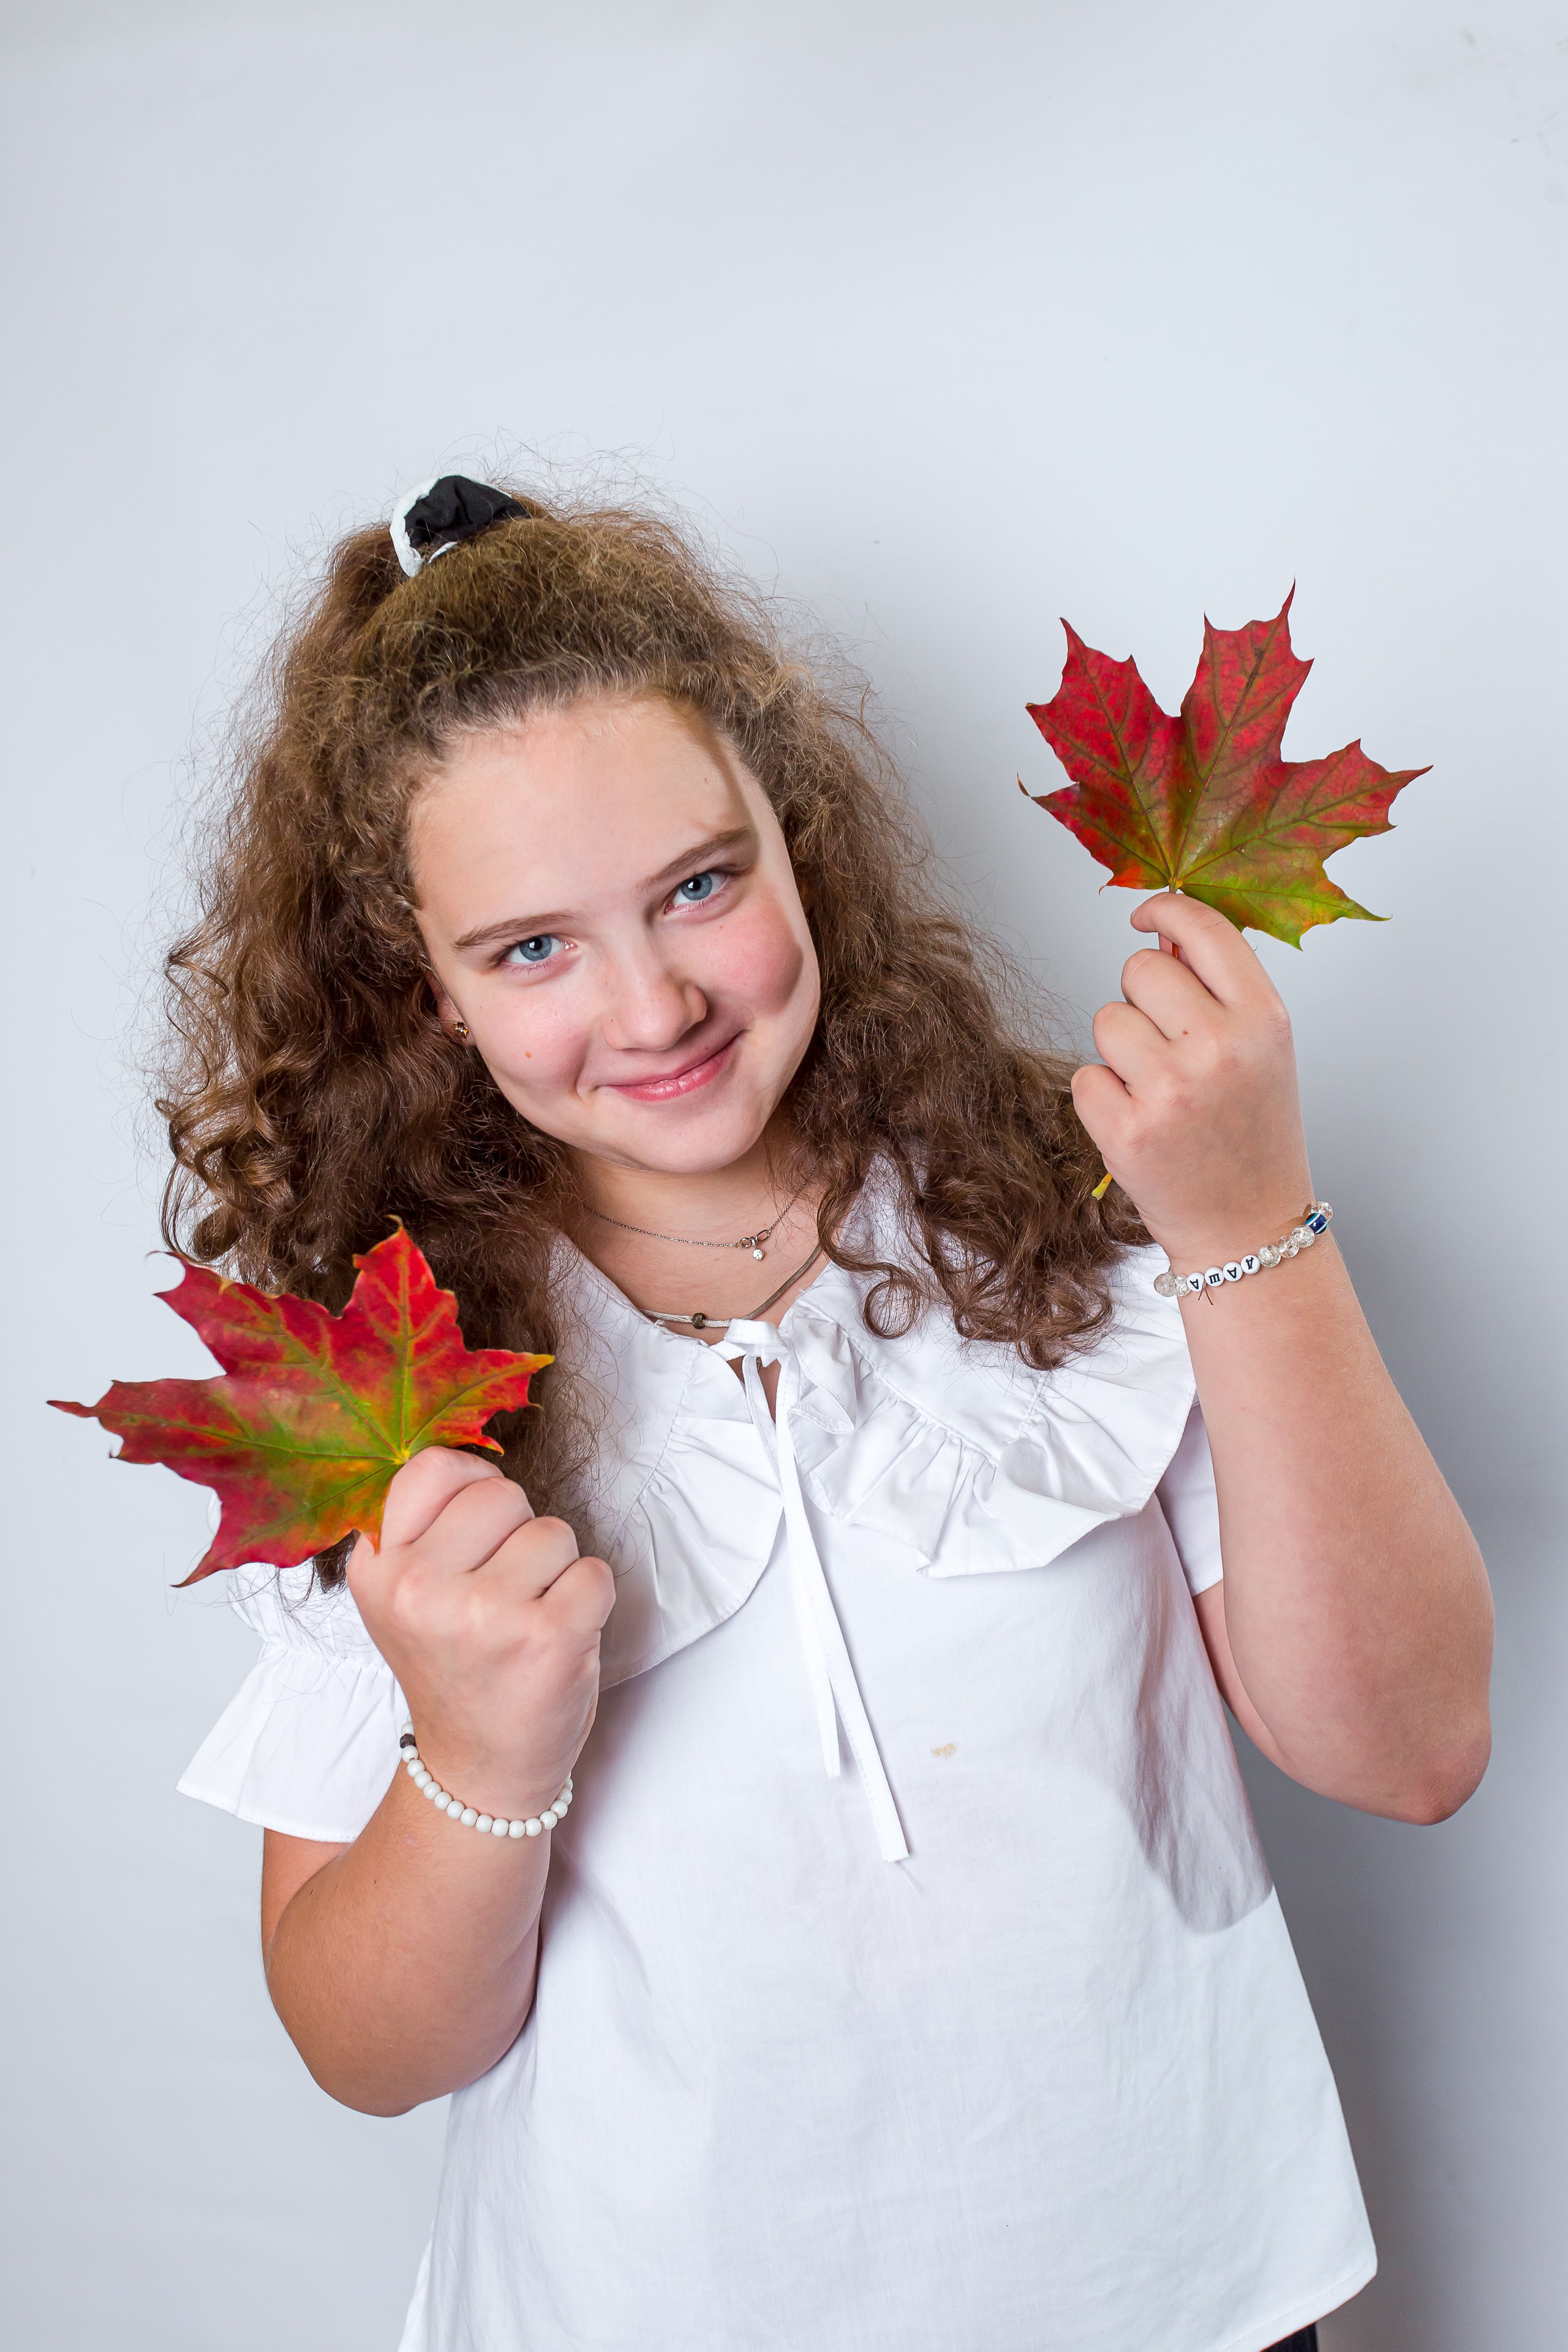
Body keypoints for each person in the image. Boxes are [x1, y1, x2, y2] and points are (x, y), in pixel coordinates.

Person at [172, 475, 1492, 2352]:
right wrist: (479, 1743)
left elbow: (1414, 1749)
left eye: (700, 885)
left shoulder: (1080, 1195)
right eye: (530, 948)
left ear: (800, 843)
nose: (652, 1006)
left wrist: (1249, 1224)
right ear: (424, 990)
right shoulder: (384, 1376)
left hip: (1183, 2294)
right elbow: (373, 2055)